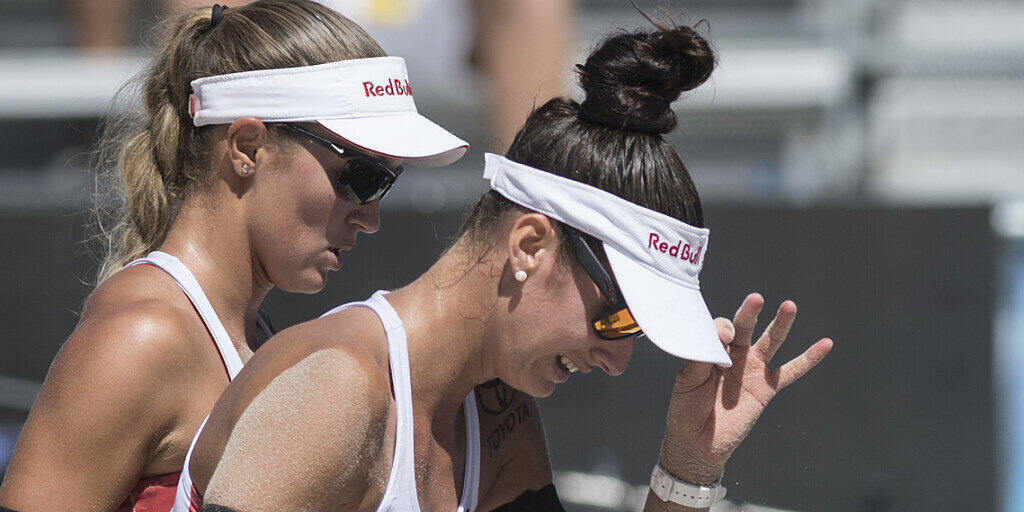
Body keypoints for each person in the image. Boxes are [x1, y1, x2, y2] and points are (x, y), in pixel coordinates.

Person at [176, 18, 833, 512]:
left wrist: (688, 466)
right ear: (528, 247)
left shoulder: (492, 412)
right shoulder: (339, 389)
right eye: (618, 317)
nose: (618, 359)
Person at [0, 1, 467, 511]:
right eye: (360, 176)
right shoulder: (144, 337)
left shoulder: (248, 332)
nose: (371, 217)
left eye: (388, 183)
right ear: (247, 146)